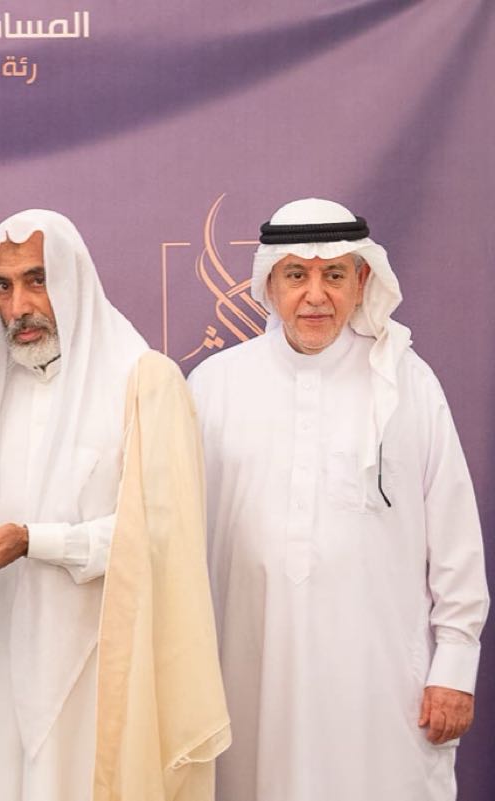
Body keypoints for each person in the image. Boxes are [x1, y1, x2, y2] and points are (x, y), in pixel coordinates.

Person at [0, 209, 229, 801]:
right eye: (2, 286)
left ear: (75, 279)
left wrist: (35, 541)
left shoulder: (144, 384)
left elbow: (159, 536)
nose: (19, 306)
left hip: (96, 666)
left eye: (38, 280)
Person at [188, 197, 489, 801]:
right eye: (296, 275)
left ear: (362, 280)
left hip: (380, 684)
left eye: (334, 274)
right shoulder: (213, 387)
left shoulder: (408, 382)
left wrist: (456, 665)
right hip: (246, 675)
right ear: (269, 284)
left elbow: (454, 533)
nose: (315, 295)